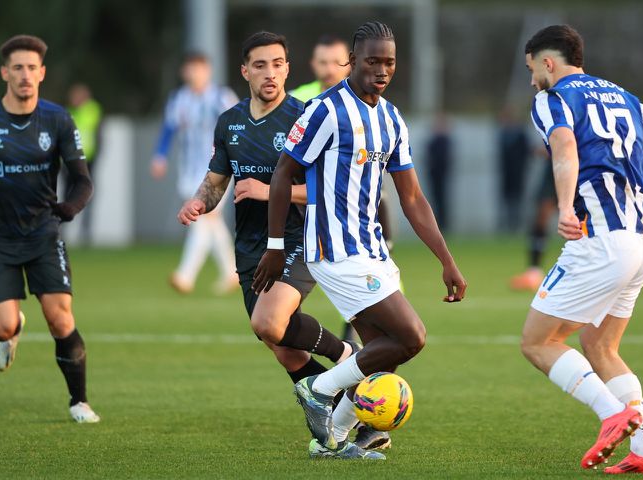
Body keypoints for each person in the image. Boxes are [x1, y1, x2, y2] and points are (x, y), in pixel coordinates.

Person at [255, 21, 467, 460]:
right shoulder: (325, 110)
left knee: (382, 355)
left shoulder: (391, 118)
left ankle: (331, 439)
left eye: (389, 61)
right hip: (335, 250)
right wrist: (276, 247)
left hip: (372, 249)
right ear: (352, 61)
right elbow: (282, 174)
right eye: (372, 60)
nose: (382, 69)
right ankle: (319, 388)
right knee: (412, 337)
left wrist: (446, 260)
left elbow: (412, 197)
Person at [176, 31, 388, 455]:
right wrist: (200, 201)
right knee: (281, 348)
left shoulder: (306, 116)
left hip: (300, 239)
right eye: (260, 65)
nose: (269, 73)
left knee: (270, 324)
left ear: (288, 69)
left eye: (277, 64)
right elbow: (218, 179)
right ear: (245, 71)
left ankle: (348, 355)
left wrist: (270, 190)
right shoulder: (230, 122)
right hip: (249, 249)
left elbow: (325, 189)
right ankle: (343, 427)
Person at [519, 25, 643, 474]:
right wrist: (621, 195)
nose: (532, 81)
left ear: (548, 62)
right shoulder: (629, 98)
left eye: (532, 69)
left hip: (602, 242)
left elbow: (564, 146)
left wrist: (568, 207)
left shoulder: (554, 98)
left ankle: (613, 415)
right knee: (600, 346)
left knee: (537, 342)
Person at [0, 35, 98, 423]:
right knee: (1, 325)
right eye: (18, 68)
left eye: (32, 68)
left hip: (43, 235)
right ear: (4, 73)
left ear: (42, 73)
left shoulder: (58, 119)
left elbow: (82, 179)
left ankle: (79, 401)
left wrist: (70, 207)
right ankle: (10, 334)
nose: (25, 75)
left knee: (61, 318)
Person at [289, 33, 397, 343]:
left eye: (335, 62)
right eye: (322, 62)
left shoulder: (376, 108)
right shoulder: (300, 101)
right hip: (313, 222)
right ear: (313, 64)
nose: (329, 69)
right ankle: (342, 368)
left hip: (359, 218)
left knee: (388, 311)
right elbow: (287, 164)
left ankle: (353, 359)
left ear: (348, 62)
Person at [152, 52, 240, 295]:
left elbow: (239, 126)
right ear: (184, 72)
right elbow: (169, 129)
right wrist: (160, 156)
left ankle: (185, 275)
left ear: (208, 71)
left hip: (218, 170)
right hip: (189, 170)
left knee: (202, 218)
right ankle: (232, 271)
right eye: (191, 69)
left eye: (199, 69)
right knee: (211, 222)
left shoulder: (221, 97)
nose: (195, 74)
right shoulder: (179, 99)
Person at [509, 146, 556, 290]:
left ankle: (586, 269)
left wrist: (550, 150)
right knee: (540, 219)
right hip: (553, 173)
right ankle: (534, 272)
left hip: (573, 171)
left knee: (579, 222)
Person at [66, 83, 101, 245]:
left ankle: (85, 231)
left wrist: (97, 156)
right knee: (67, 194)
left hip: (88, 161)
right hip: (69, 162)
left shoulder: (93, 110)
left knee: (87, 195)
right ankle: (63, 229)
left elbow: (99, 135)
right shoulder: (68, 113)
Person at [497, 107, 530, 232]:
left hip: (518, 172)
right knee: (506, 198)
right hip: (506, 173)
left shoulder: (520, 134)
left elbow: (525, 153)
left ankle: (515, 224)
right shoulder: (503, 134)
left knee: (517, 198)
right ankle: (506, 223)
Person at [289, 35, 351, 102]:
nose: (330, 70)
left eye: (337, 62)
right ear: (313, 64)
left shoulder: (362, 98)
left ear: (350, 64)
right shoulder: (296, 99)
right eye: (323, 63)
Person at [425, 112, 453, 229]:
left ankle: (443, 224)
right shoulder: (434, 141)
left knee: (441, 200)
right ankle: (438, 223)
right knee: (436, 200)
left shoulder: (444, 141)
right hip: (434, 175)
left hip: (441, 174)